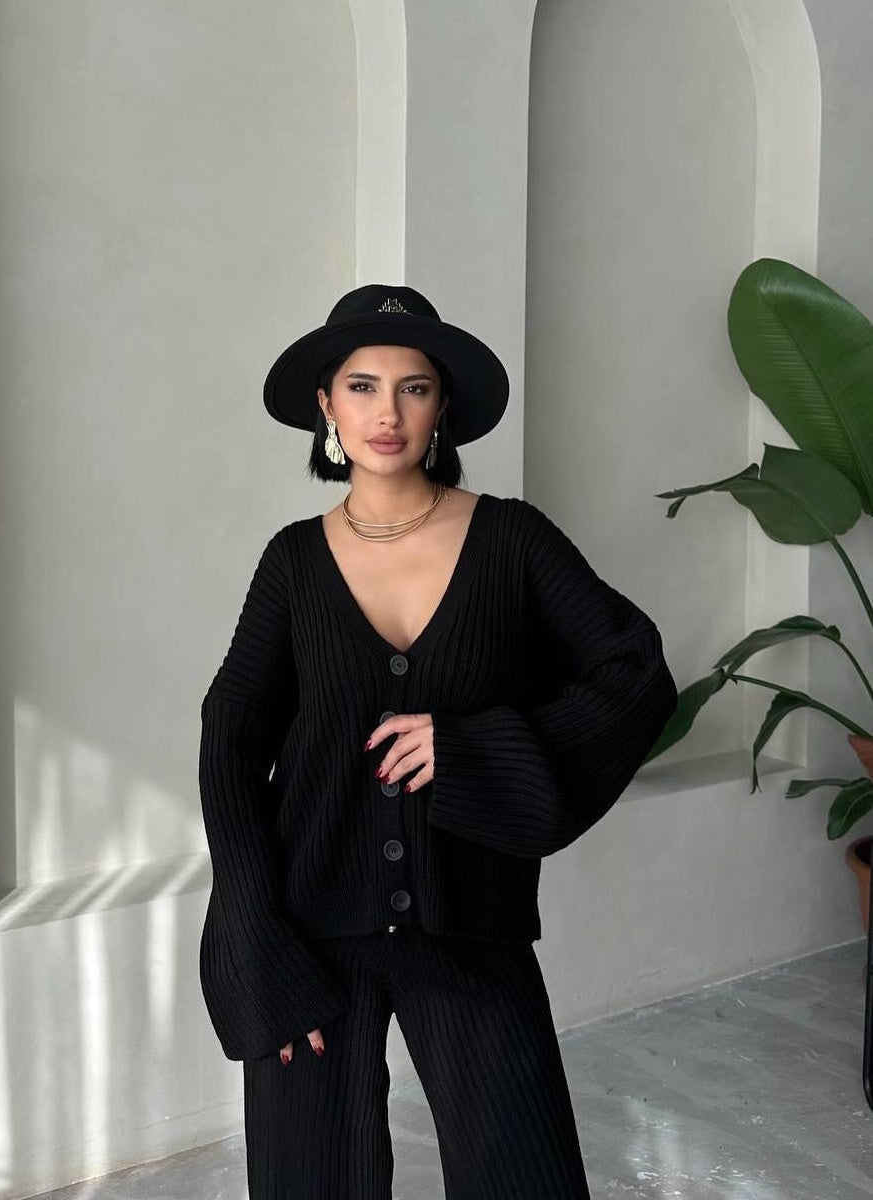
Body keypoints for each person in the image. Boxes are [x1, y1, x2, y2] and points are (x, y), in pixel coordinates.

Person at [197, 283, 679, 1199]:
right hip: (313, 926)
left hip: (471, 916)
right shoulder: (293, 560)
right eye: (362, 386)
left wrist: (475, 751)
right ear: (326, 405)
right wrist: (257, 943)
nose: (387, 413)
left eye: (413, 388)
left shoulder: (513, 540)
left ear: (442, 406)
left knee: (524, 1175)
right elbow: (229, 740)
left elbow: (636, 671)